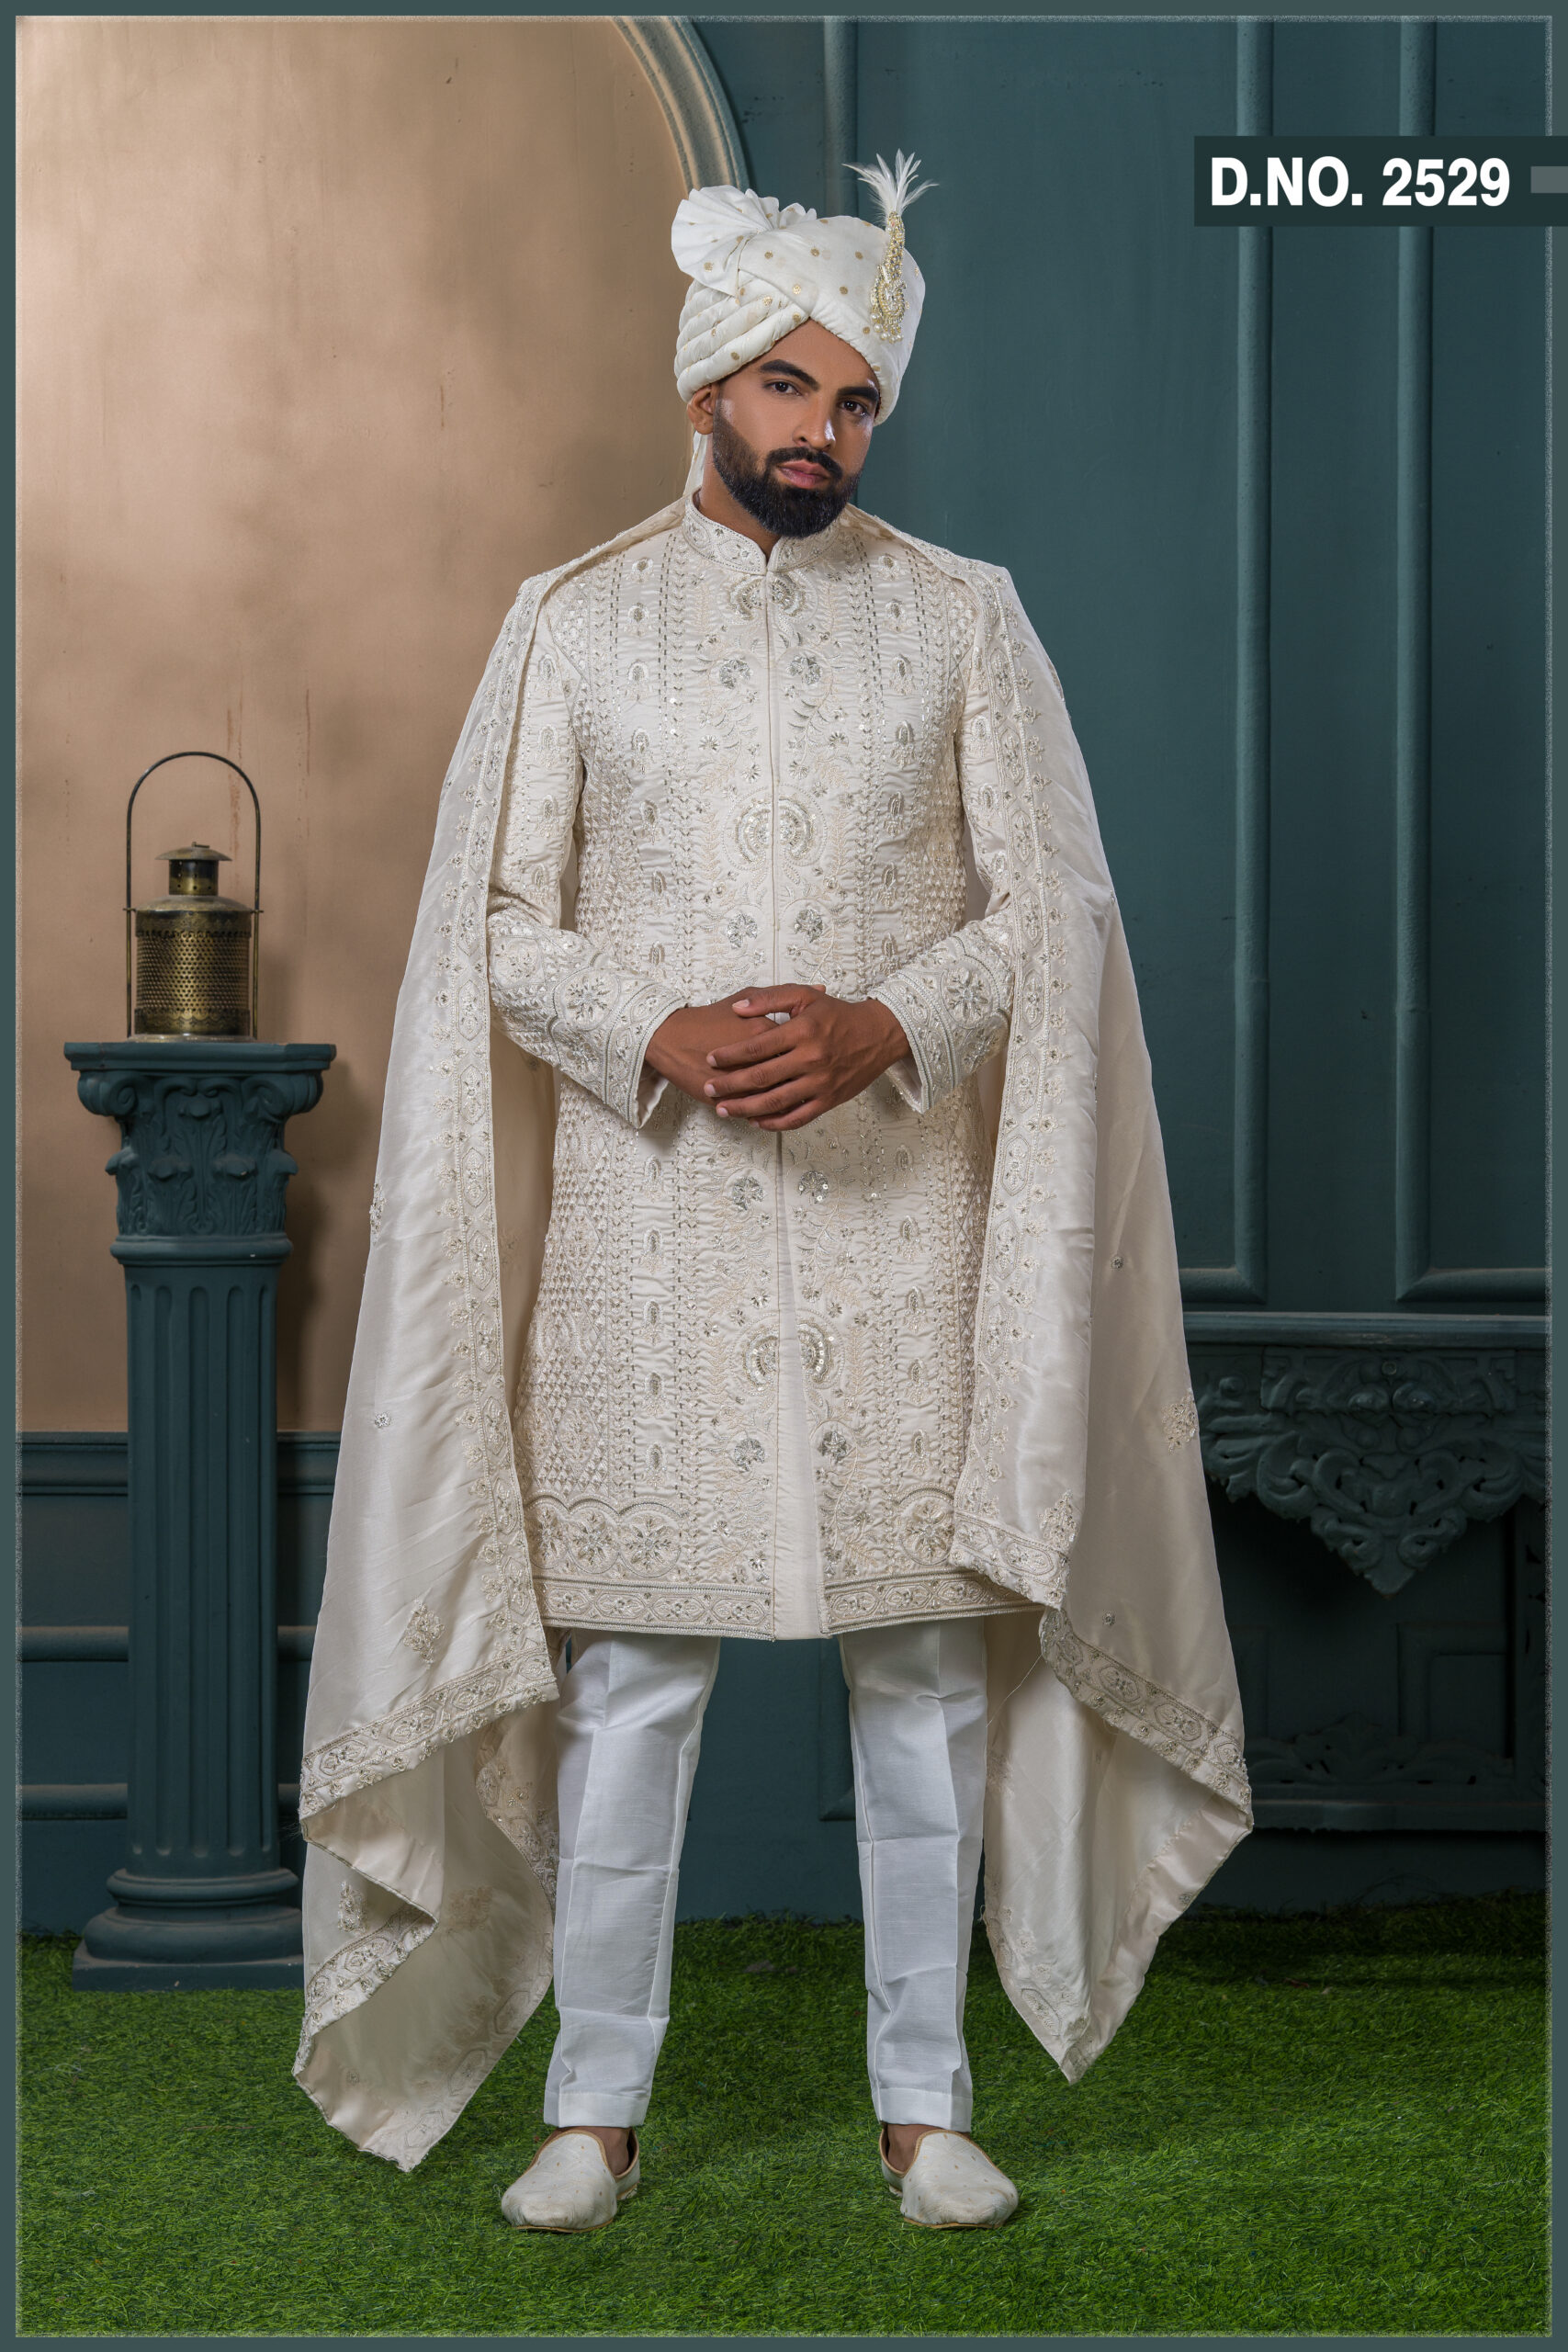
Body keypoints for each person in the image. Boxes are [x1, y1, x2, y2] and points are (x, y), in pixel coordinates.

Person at [294, 158, 1252, 2233]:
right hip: (647, 1248)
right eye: (788, 389)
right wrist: (653, 1026)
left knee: (919, 1681)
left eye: (854, 401)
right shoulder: (569, 622)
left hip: (905, 1228)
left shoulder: (963, 615)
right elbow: (493, 928)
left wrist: (888, 1017)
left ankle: (924, 2107)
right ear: (709, 389)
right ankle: (593, 2112)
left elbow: (1051, 910)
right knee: (632, 1689)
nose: (822, 431)